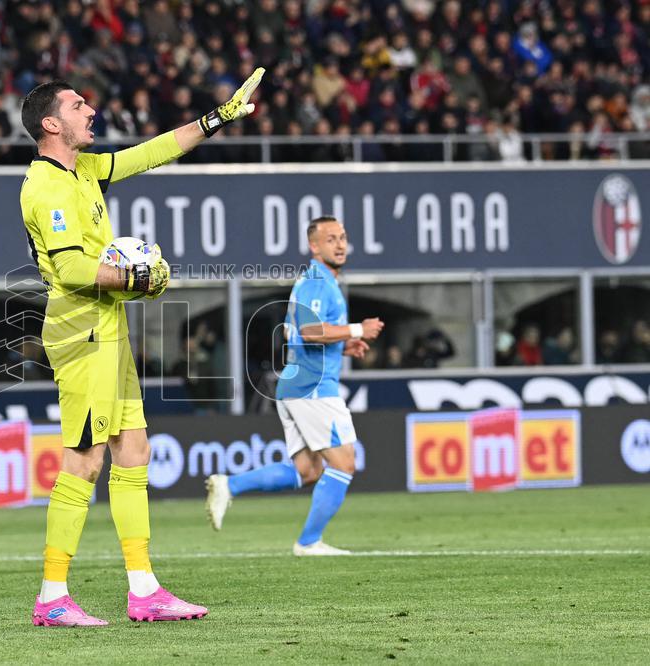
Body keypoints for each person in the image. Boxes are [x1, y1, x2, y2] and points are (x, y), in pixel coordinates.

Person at [21, 68, 265, 626]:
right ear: (52, 123)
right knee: (84, 460)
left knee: (134, 452)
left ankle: (144, 589)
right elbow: (73, 268)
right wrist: (139, 279)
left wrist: (216, 119)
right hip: (81, 331)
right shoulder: (46, 186)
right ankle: (51, 597)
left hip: (107, 326)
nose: (92, 111)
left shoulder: (83, 169)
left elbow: (151, 153)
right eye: (79, 105)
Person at [205, 216, 384, 556]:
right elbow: (311, 331)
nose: (340, 244)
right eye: (331, 239)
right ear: (314, 246)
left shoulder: (315, 282)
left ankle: (230, 485)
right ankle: (308, 542)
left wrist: (343, 345)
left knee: (307, 470)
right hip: (313, 387)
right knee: (344, 463)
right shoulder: (318, 280)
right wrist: (357, 330)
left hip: (298, 384)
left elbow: (301, 335)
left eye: (343, 237)